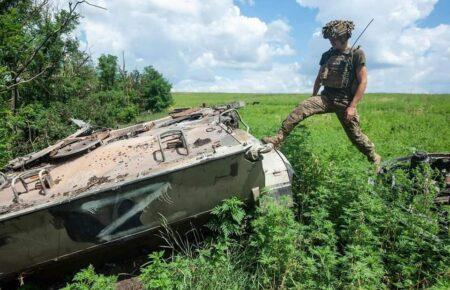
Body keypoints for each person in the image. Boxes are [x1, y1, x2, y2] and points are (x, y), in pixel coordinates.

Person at [263, 20, 381, 168]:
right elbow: (319, 77)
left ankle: (374, 157)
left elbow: (363, 81)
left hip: (345, 103)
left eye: (334, 38)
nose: (331, 42)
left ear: (344, 37)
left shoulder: (356, 54)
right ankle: (277, 138)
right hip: (326, 98)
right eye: (330, 39)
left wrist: (352, 106)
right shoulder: (327, 55)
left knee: (356, 137)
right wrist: (313, 97)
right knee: (301, 108)